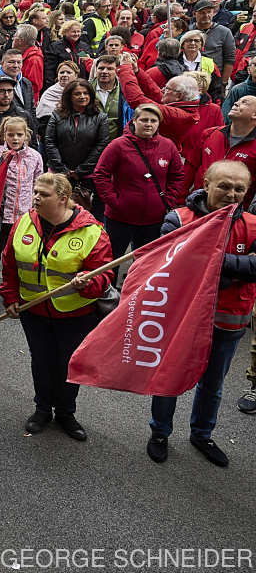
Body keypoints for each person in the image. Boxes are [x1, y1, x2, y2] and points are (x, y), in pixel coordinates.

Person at [147, 160, 256, 467]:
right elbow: (174, 264)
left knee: (213, 385)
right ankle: (159, 433)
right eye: (224, 186)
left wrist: (210, 261)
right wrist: (235, 270)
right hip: (181, 319)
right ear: (206, 184)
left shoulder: (253, 225)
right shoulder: (178, 219)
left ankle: (202, 435)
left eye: (239, 189)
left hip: (227, 321)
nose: (231, 194)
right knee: (169, 378)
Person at [1, 172, 114, 441]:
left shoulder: (92, 231)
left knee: (67, 365)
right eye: (35, 192)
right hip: (34, 311)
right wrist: (10, 297)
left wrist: (88, 282)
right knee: (41, 361)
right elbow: (9, 264)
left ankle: (65, 412)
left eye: (44, 194)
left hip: (75, 314)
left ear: (63, 199)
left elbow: (105, 275)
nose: (36, 198)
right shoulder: (24, 223)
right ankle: (42, 409)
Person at [91, 104, 184, 259]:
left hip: (153, 219)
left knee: (145, 261)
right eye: (144, 120)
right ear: (134, 120)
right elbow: (100, 174)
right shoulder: (118, 145)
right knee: (111, 259)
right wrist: (114, 201)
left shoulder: (168, 146)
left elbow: (177, 176)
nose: (149, 124)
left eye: (153, 121)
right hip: (120, 217)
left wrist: (168, 201)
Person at [44, 79, 108, 210]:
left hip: (88, 176)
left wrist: (81, 171)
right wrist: (63, 169)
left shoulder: (100, 117)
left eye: (86, 93)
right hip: (59, 173)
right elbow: (50, 142)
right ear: (69, 96)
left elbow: (102, 145)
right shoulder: (57, 115)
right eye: (77, 94)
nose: (82, 96)